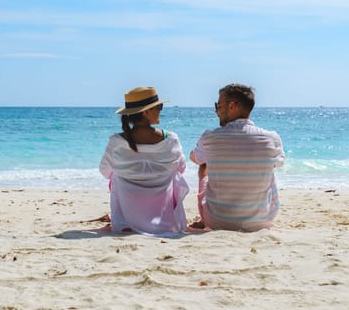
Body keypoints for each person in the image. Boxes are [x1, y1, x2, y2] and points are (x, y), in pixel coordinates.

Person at [190, 83, 285, 232]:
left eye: (218, 105)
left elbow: (195, 159)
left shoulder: (210, 137)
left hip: (215, 221)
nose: (216, 111)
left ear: (232, 106)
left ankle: (204, 218)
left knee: (204, 166)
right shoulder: (271, 139)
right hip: (259, 223)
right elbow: (280, 162)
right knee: (268, 166)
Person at [99, 86, 189, 236]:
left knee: (115, 176)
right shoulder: (171, 139)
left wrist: (131, 175)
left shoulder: (116, 141)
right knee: (175, 175)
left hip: (129, 202)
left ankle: (126, 222)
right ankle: (165, 220)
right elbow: (181, 168)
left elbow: (104, 170)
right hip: (162, 207)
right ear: (146, 112)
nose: (161, 110)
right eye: (159, 106)